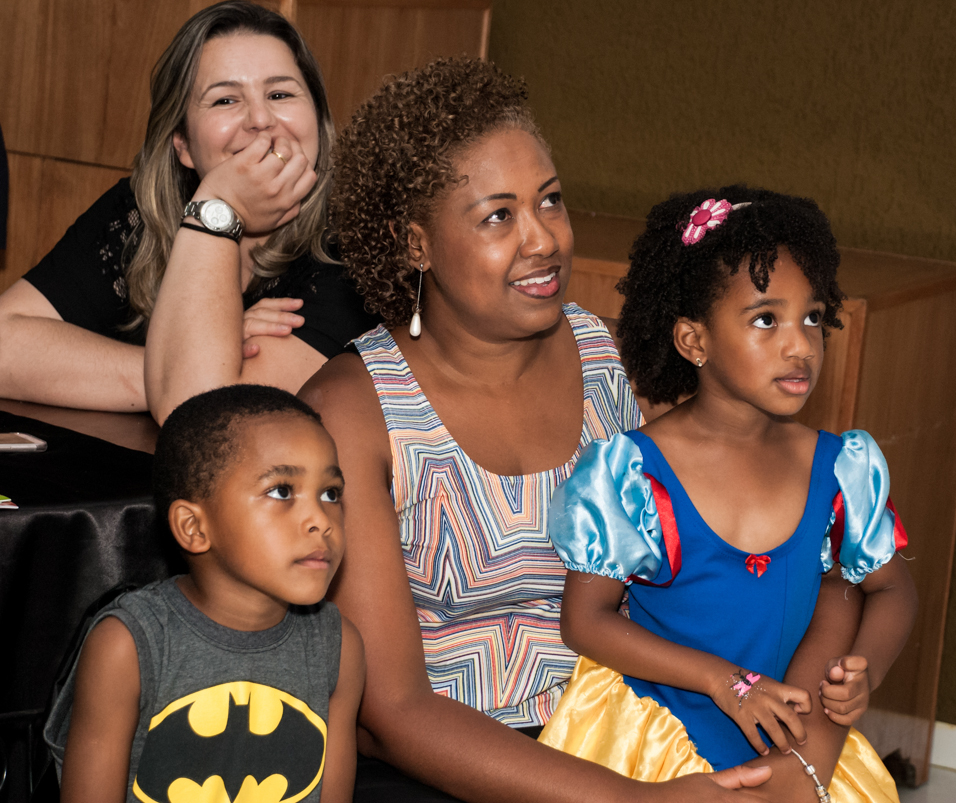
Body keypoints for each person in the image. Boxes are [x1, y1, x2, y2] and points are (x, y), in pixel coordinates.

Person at [300, 57, 866, 803]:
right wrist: (633, 801)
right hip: (446, 763)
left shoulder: (608, 357)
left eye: (551, 200)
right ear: (416, 244)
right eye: (499, 216)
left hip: (625, 727)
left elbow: (767, 540)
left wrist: (796, 734)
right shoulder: (352, 411)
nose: (543, 239)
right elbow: (394, 709)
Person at [538, 187, 919, 802]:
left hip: (792, 745)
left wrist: (864, 670)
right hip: (657, 745)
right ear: (694, 341)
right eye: (766, 320)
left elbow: (892, 589)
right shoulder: (634, 473)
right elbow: (585, 621)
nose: (801, 346)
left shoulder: (838, 470)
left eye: (812, 318)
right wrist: (725, 681)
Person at [0, 1, 377, 419]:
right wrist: (195, 356)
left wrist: (217, 207)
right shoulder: (142, 209)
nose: (260, 119)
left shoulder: (355, 243)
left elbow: (203, 414)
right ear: (182, 143)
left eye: (280, 94)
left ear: (318, 120)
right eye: (225, 100)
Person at [43, 384, 365, 803]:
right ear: (194, 527)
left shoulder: (338, 649)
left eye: (331, 493)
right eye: (282, 491)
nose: (320, 519)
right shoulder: (129, 647)